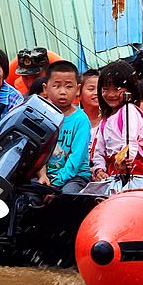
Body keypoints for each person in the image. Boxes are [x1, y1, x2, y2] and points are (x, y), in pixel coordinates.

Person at [39, 61, 92, 193]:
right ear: (45, 88)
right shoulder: (41, 115)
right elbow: (38, 152)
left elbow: (76, 158)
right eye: (56, 86)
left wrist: (56, 183)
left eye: (68, 87)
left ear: (78, 89)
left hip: (75, 176)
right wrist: (42, 175)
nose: (63, 92)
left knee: (65, 197)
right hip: (46, 176)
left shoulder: (81, 120)